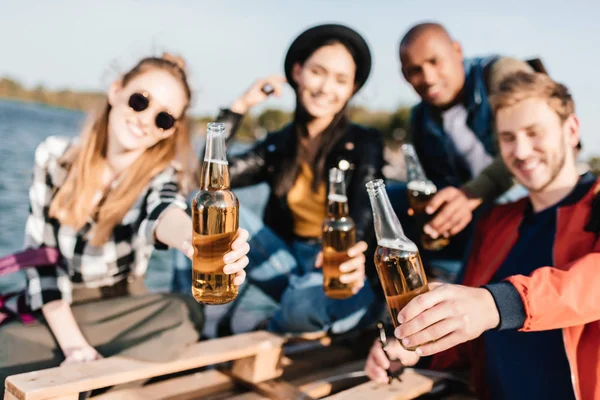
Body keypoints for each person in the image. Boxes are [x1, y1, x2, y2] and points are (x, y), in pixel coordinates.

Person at [0, 54, 250, 391]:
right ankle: (116, 384)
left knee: (183, 311)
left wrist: (193, 239)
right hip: (59, 308)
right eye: (140, 101)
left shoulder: (163, 175)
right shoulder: (54, 156)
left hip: (122, 308)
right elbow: (42, 263)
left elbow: (162, 212)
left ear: (170, 130)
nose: (146, 119)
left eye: (163, 117)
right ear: (116, 91)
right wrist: (75, 348)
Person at [365, 71, 600, 400]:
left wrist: (495, 304)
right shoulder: (495, 222)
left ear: (571, 130)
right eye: (507, 137)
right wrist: (412, 347)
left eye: (534, 133)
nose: (520, 150)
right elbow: (467, 334)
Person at [205, 23, 386, 335]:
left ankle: (269, 323)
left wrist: (353, 248)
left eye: (341, 80)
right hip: (284, 261)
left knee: (311, 307)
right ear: (298, 72)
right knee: (202, 206)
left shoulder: (365, 142)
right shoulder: (279, 144)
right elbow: (211, 180)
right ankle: (202, 312)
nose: (326, 88)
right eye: (318, 72)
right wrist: (239, 108)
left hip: (331, 262)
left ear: (352, 88)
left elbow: (364, 212)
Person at [388, 22, 536, 280]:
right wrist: (435, 208)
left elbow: (530, 148)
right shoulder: (420, 117)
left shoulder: (501, 74)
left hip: (524, 196)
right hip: (472, 208)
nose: (428, 77)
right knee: (389, 199)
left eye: (435, 62)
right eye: (415, 70)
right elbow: (435, 181)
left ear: (457, 50)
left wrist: (470, 195)